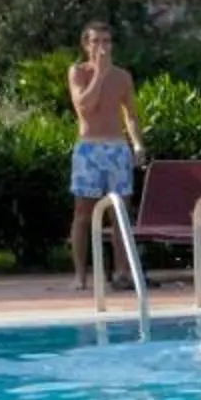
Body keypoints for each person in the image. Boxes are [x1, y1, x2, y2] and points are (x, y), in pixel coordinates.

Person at [66, 21, 142, 286]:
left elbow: (130, 115)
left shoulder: (122, 77)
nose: (101, 47)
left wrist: (137, 143)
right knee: (82, 213)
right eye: (96, 41)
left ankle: (123, 272)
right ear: (86, 45)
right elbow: (84, 106)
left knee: (120, 213)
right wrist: (98, 74)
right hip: (89, 148)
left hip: (116, 148)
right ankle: (80, 275)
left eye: (106, 41)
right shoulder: (78, 72)